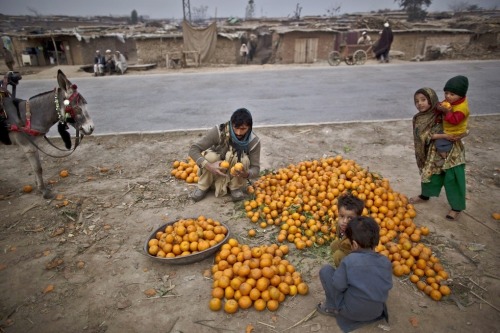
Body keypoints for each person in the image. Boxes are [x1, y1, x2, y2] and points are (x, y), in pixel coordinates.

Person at [318, 216, 393, 333]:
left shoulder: (349, 261)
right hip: (376, 312)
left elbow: (338, 285)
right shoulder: (385, 261)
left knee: (326, 271)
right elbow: (385, 285)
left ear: (355, 245)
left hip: (352, 313)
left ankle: (332, 307)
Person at [410, 87, 467, 221]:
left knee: (453, 178)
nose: (420, 103)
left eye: (423, 100)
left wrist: (457, 134)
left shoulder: (443, 111)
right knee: (430, 174)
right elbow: (421, 135)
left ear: (432, 100)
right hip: (432, 152)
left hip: (452, 151)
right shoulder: (419, 118)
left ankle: (456, 207)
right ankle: (425, 195)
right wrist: (443, 135)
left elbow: (458, 124)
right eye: (417, 101)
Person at [188, 108, 261, 202]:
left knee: (243, 159)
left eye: (243, 129)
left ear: (250, 127)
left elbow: (256, 168)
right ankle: (203, 187)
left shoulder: (253, 141)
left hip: (235, 176)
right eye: (236, 128)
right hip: (215, 172)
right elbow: (193, 149)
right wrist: (209, 166)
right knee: (210, 157)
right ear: (231, 124)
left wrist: (246, 174)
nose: (238, 132)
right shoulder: (219, 132)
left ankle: (235, 188)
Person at [434, 75, 469, 160]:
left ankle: (445, 157)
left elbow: (454, 121)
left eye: (452, 94)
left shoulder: (462, 108)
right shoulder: (450, 101)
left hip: (455, 131)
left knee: (439, 142)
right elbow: (441, 107)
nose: (448, 96)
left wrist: (447, 112)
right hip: (448, 128)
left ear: (460, 95)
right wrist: (439, 107)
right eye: (446, 93)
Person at [330, 193, 364, 267]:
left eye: (350, 218)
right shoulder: (340, 226)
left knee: (338, 256)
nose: (344, 221)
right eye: (342, 216)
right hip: (346, 247)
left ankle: (345, 271)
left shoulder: (358, 233)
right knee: (333, 245)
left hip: (358, 257)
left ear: (358, 218)